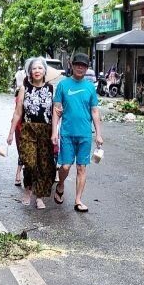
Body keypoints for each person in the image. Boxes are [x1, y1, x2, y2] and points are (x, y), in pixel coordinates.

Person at [51, 52, 103, 213]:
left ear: (87, 68)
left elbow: (94, 111)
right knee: (65, 166)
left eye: (84, 66)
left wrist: (98, 134)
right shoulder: (63, 85)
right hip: (66, 133)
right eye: (77, 65)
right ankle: (60, 184)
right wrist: (54, 132)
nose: (80, 68)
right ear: (72, 66)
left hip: (85, 134)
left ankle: (78, 200)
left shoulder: (89, 87)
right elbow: (56, 110)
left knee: (82, 168)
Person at [7, 57, 56, 209]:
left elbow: (55, 112)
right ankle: (28, 189)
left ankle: (39, 196)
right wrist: (10, 133)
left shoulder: (50, 89)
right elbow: (17, 113)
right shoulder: (24, 89)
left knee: (43, 164)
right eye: (34, 68)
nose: (37, 71)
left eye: (40, 68)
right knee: (29, 162)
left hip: (45, 130)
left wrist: (55, 132)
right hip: (28, 129)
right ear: (29, 71)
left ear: (44, 71)